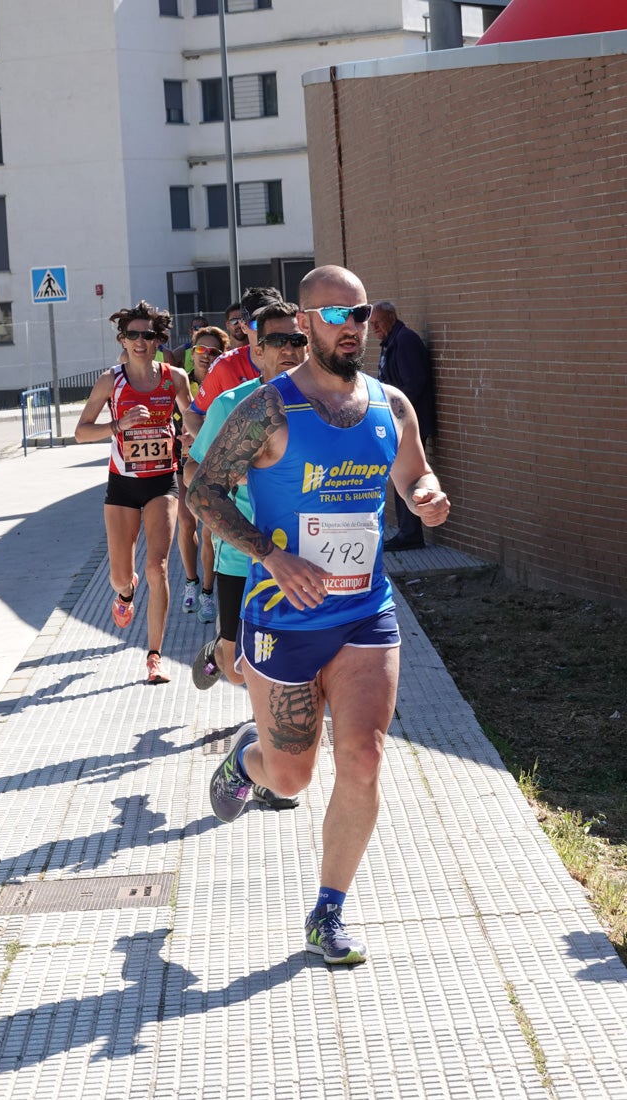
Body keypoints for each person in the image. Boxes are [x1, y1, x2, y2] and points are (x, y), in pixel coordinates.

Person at [186, 265, 451, 964]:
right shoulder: (267, 410)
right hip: (283, 619)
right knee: (293, 776)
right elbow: (202, 491)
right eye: (333, 315)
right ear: (302, 324)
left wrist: (426, 494)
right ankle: (249, 762)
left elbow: (414, 472)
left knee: (361, 759)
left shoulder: (389, 406)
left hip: (364, 613)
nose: (349, 326)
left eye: (359, 313)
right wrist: (271, 557)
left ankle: (328, 912)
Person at [186, 301, 309, 812]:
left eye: (297, 340)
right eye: (278, 341)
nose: (290, 350)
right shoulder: (232, 405)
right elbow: (197, 477)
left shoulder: (314, 404)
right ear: (255, 349)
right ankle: (218, 654)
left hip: (301, 562)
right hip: (243, 560)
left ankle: (264, 770)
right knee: (239, 668)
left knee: (282, 678)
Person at [75, 301, 191, 685]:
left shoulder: (174, 378)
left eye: (149, 335)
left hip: (162, 483)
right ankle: (126, 595)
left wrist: (193, 438)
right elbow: (80, 431)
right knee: (120, 575)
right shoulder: (111, 381)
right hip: (122, 485)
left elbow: (191, 422)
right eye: (133, 335)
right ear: (122, 339)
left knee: (157, 567)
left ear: (160, 339)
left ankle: (154, 657)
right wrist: (117, 424)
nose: (141, 341)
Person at [370, 300, 435, 551]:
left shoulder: (405, 341)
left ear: (391, 318)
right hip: (396, 423)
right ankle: (408, 532)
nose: (373, 328)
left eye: (377, 322)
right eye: (371, 323)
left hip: (408, 423)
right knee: (399, 477)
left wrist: (395, 410)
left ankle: (410, 534)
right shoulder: (391, 341)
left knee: (408, 477)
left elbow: (414, 383)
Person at [173, 326, 228, 620]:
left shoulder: (226, 386)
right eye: (201, 351)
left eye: (214, 352)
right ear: (192, 354)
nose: (206, 357)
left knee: (209, 533)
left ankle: (208, 592)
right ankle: (191, 583)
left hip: (212, 464)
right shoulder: (182, 384)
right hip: (183, 461)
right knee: (185, 521)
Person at [182, 286, 282, 441]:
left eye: (273, 322)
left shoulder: (300, 360)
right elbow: (192, 414)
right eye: (258, 324)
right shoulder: (225, 365)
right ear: (243, 326)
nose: (266, 330)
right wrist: (216, 453)